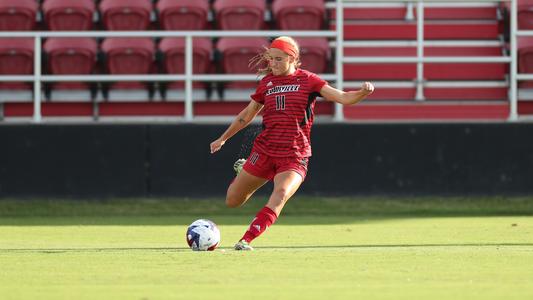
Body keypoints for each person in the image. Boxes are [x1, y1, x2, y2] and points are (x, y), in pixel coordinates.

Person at [210, 36, 374, 251]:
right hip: (265, 151)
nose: (273, 64)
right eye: (270, 59)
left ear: (292, 58)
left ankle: (246, 239)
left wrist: (362, 93)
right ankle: (245, 168)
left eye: (278, 59)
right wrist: (223, 138)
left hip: (294, 156)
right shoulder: (266, 84)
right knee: (232, 200)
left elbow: (343, 97)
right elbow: (246, 115)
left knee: (281, 194)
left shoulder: (309, 80)